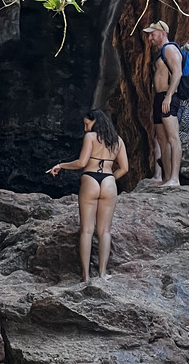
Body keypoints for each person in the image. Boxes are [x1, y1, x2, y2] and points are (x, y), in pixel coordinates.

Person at [46, 108, 128, 283]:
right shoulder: (118, 141)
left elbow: (81, 163)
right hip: (108, 181)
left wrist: (61, 165)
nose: (85, 128)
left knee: (87, 230)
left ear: (95, 121)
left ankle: (85, 276)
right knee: (105, 231)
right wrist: (111, 178)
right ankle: (103, 273)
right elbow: (125, 168)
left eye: (87, 124)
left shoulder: (90, 138)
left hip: (90, 179)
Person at [143, 19, 183, 187]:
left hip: (169, 97)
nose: (150, 38)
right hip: (159, 97)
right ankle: (166, 177)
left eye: (152, 34)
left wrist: (168, 96)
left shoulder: (170, 49)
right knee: (161, 138)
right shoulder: (160, 52)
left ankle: (175, 178)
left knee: (173, 138)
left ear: (162, 33)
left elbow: (178, 73)